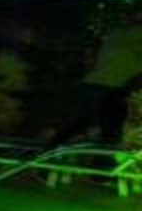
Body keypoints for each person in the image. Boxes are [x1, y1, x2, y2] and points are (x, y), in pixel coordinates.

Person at [56, 7, 142, 143]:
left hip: (94, 83)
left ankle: (47, 152)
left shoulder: (117, 33)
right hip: (115, 86)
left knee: (79, 125)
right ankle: (102, 160)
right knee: (110, 129)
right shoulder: (136, 34)